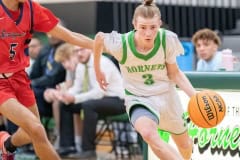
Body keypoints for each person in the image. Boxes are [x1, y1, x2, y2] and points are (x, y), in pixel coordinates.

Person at [93, 0, 196, 160]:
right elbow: (99, 39)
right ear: (134, 24)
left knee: (185, 145)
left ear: (160, 24)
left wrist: (195, 97)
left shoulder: (166, 39)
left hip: (167, 96)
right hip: (138, 98)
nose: (148, 33)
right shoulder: (121, 44)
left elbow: (175, 74)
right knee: (149, 134)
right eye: (142, 27)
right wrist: (98, 70)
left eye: (153, 27)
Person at [0, 0, 93, 160]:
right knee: (36, 129)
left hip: (19, 77)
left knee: (32, 132)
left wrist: (104, 46)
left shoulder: (31, 8)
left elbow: (69, 35)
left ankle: (7, 144)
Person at [54, 44, 126, 159]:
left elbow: (99, 93)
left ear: (91, 49)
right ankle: (67, 146)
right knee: (66, 105)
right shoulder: (82, 66)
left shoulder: (102, 63)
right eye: (76, 51)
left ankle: (89, 150)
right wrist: (66, 95)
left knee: (88, 105)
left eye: (82, 50)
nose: (79, 53)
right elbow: (77, 87)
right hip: (99, 100)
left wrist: (75, 98)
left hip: (118, 101)